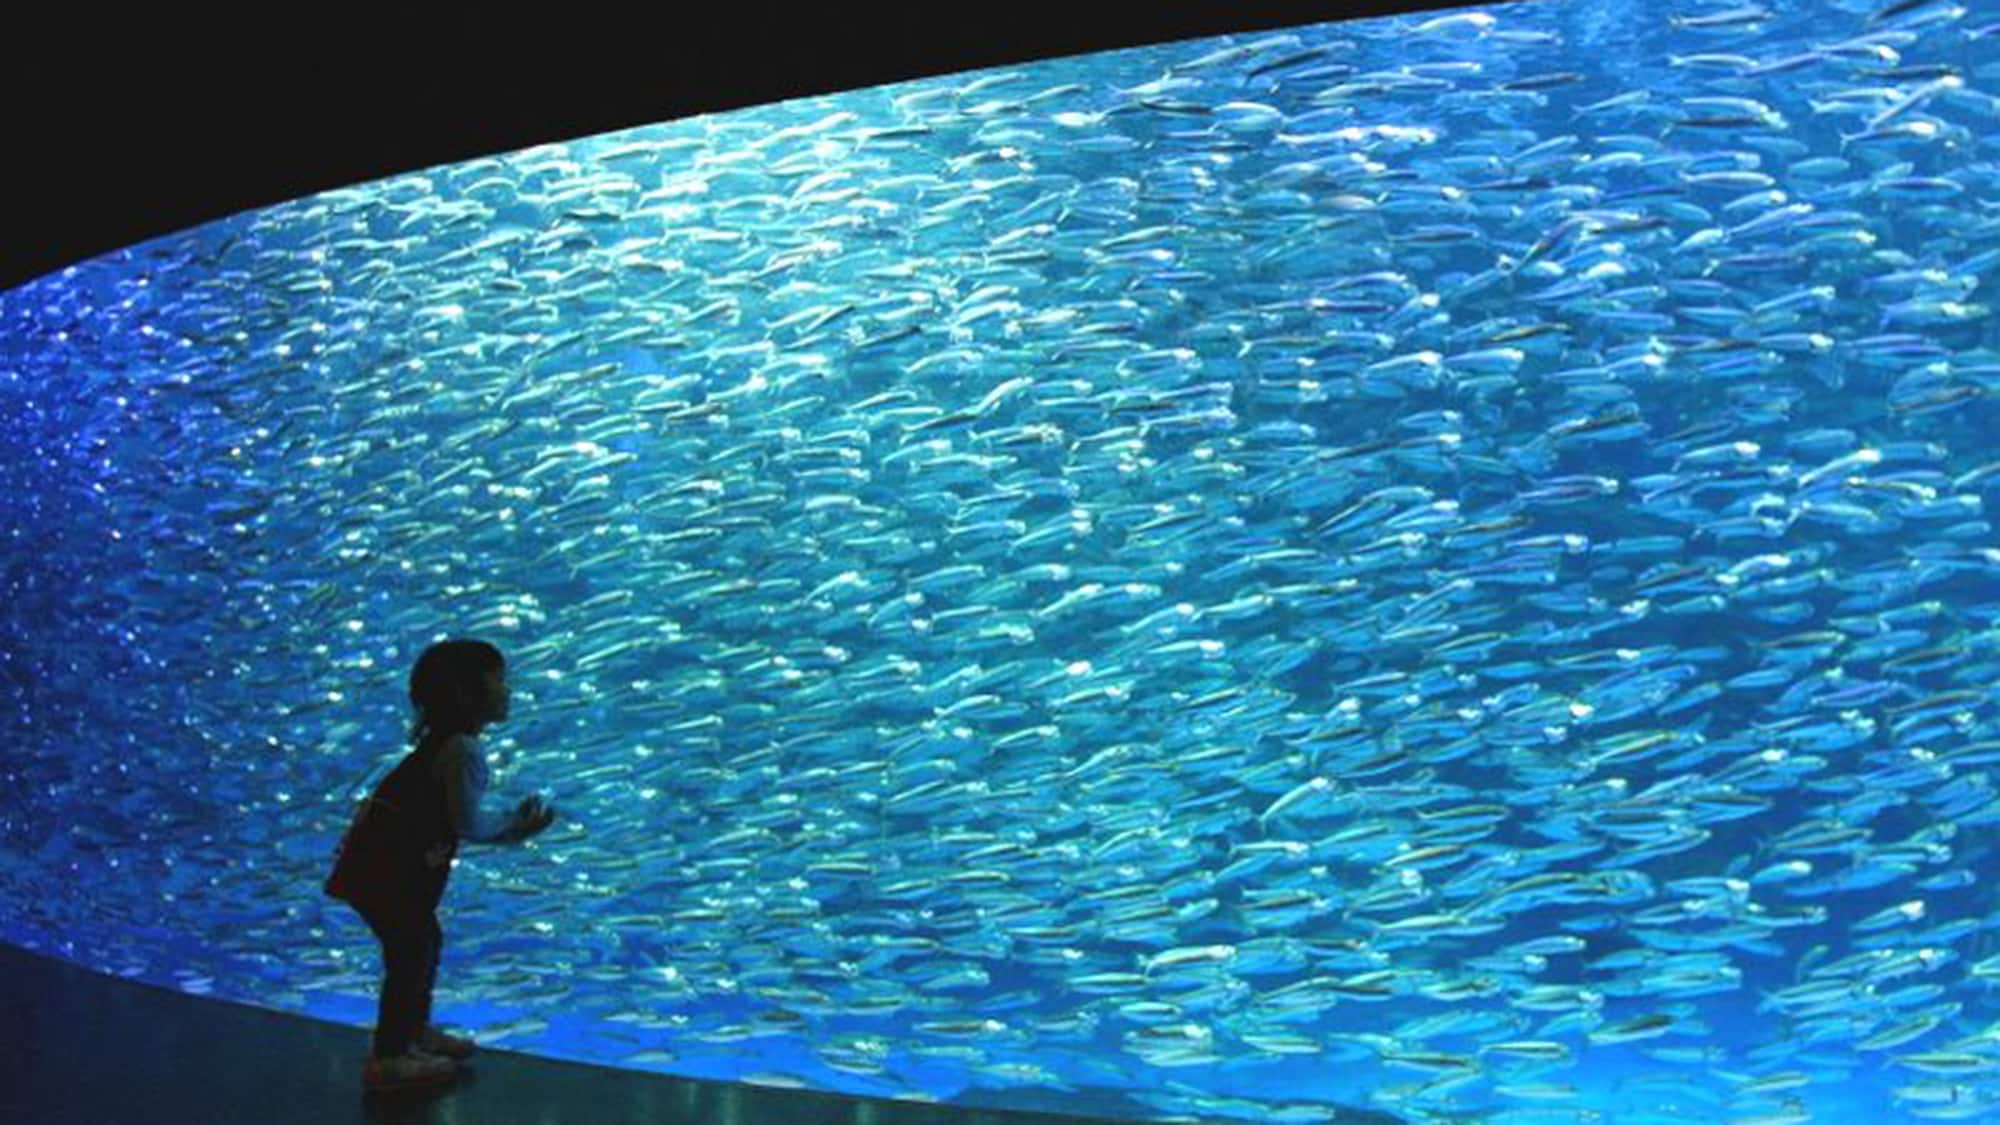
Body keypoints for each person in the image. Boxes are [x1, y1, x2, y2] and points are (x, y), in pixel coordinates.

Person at [323, 638, 558, 1092]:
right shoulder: (463, 751)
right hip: (388, 871)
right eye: (499, 681)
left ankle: (411, 1030)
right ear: (465, 693)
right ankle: (390, 1056)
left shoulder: (445, 745)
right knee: (411, 950)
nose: (508, 691)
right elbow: (466, 821)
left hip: (382, 866)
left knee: (420, 942)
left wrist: (510, 828)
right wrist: (515, 825)